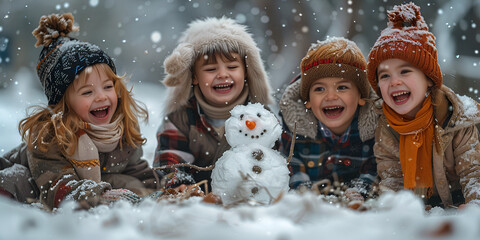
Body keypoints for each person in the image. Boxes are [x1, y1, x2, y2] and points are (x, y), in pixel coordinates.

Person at [0, 13, 161, 209]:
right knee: (16, 181)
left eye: (108, 87)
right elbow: (59, 187)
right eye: (87, 91)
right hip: (35, 181)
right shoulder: (48, 137)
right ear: (63, 104)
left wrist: (161, 191)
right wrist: (101, 196)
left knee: (127, 183)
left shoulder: (121, 129)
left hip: (92, 183)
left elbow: (138, 171)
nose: (101, 97)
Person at [366, 2, 480, 208]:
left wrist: (474, 206)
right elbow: (392, 179)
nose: (394, 82)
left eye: (405, 71)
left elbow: (474, 174)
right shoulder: (387, 126)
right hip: (421, 208)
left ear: (428, 79)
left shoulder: (457, 119)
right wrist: (398, 208)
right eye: (384, 75)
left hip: (458, 206)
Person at [154, 17, 273, 190]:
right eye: (210, 69)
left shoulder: (262, 117)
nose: (223, 75)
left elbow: (277, 158)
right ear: (194, 77)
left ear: (247, 72)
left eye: (232, 67)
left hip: (250, 196)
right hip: (198, 199)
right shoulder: (181, 120)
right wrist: (178, 180)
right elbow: (170, 158)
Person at [279, 37, 378, 200]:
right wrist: (305, 191)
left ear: (361, 96)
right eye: (319, 89)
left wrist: (360, 190)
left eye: (342, 87)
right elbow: (291, 164)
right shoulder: (296, 125)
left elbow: (375, 166)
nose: (331, 96)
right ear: (308, 101)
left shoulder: (373, 127)